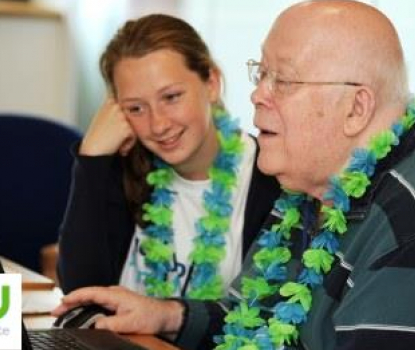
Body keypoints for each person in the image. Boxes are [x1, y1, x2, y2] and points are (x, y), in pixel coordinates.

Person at [53, 2, 415, 349]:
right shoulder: (312, 190)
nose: (255, 96)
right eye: (260, 73)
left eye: (281, 80)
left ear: (357, 107)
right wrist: (167, 316)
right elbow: (248, 314)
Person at [57, 14, 281, 300]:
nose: (158, 125)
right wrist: (91, 159)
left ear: (211, 83)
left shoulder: (271, 175)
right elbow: (80, 292)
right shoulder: (119, 170)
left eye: (171, 97)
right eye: (136, 108)